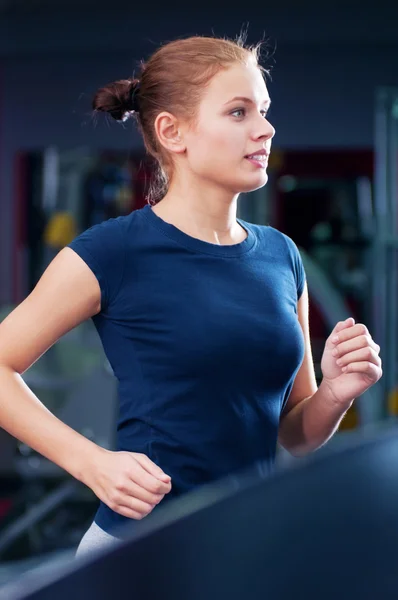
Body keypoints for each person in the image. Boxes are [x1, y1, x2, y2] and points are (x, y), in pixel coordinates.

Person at [0, 34, 382, 559]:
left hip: (248, 542)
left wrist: (337, 392)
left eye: (265, 111)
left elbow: (294, 434)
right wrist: (91, 462)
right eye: (238, 112)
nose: (265, 128)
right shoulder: (113, 251)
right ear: (172, 131)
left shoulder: (281, 255)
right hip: (147, 548)